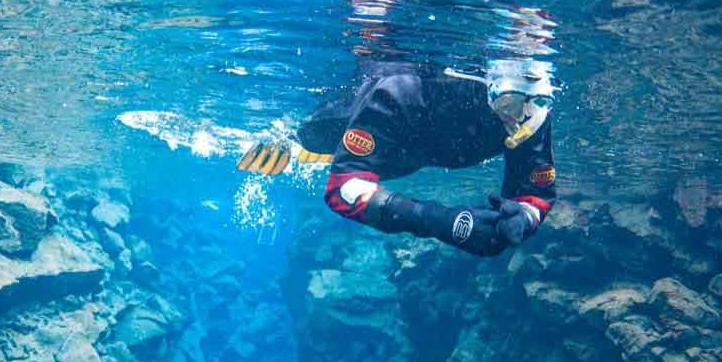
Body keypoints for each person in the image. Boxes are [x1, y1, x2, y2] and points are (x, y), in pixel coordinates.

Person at [237, 56, 557, 257]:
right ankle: (290, 142)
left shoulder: (532, 113)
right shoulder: (402, 91)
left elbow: (535, 193)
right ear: (486, 89)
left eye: (537, 102)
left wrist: (520, 220)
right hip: (356, 129)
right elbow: (343, 191)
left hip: (418, 153)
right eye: (511, 104)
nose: (520, 118)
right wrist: (443, 222)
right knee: (313, 139)